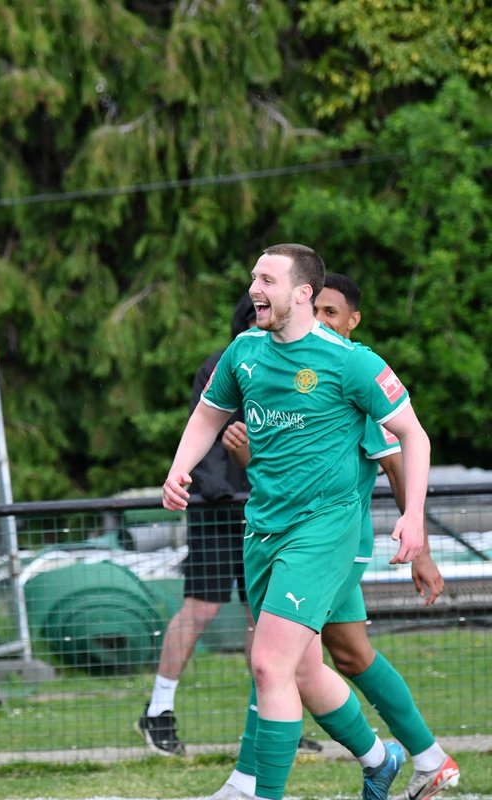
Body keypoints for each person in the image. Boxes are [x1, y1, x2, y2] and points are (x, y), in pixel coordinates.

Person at [161, 243, 431, 800]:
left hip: (323, 530)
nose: (254, 290)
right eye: (253, 278)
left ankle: (260, 792)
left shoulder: (351, 361)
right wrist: (178, 469)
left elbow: (414, 435)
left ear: (303, 292)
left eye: (268, 280)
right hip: (264, 528)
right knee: (303, 672)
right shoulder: (243, 352)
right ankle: (380, 759)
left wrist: (414, 517)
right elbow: (208, 416)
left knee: (267, 664)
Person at [138, 293, 258, 756]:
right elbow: (207, 430)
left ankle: (270, 719)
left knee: (263, 617)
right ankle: (157, 712)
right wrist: (210, 486)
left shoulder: (296, 363)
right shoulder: (222, 365)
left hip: (266, 510)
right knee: (201, 609)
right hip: (218, 506)